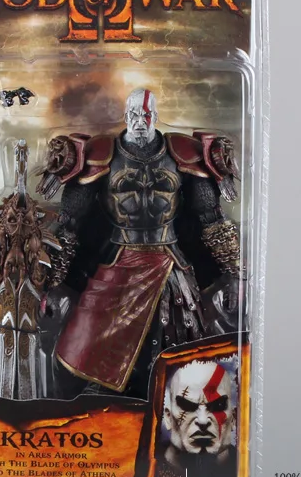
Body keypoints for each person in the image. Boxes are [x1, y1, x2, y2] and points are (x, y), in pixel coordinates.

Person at [36, 89, 243, 397]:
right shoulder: (100, 154)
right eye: (134, 114)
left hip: (170, 261)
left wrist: (235, 273)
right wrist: (51, 283)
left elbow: (212, 218)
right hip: (119, 260)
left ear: (155, 116)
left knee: (176, 337)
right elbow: (69, 224)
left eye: (146, 115)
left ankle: (171, 397)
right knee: (89, 337)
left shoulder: (183, 153)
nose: (140, 121)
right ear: (125, 115)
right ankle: (96, 396)